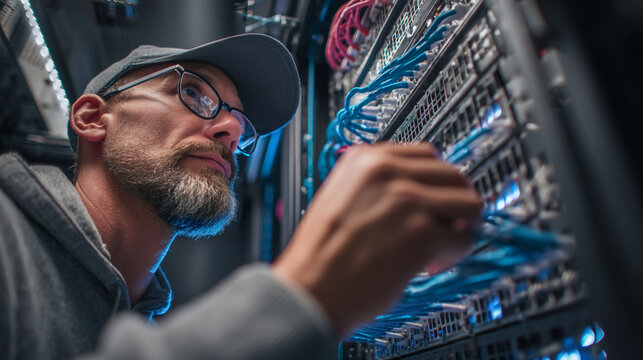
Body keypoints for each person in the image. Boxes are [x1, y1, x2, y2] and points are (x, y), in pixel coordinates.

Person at [0, 33, 482, 360]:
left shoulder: (138, 320)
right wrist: (296, 298)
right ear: (91, 118)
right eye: (195, 93)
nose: (232, 129)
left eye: (241, 125)